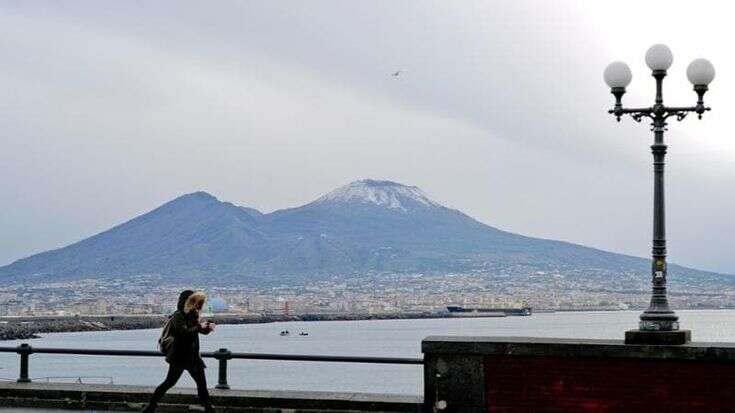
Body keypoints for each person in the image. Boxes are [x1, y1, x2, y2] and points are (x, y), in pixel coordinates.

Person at [143, 290, 217, 413]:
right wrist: (199, 327)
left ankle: (208, 407)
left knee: (201, 383)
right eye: (195, 302)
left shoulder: (192, 314)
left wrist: (207, 328)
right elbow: (183, 333)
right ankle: (151, 406)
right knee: (169, 382)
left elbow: (196, 331)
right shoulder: (178, 315)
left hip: (192, 356)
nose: (198, 305)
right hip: (180, 356)